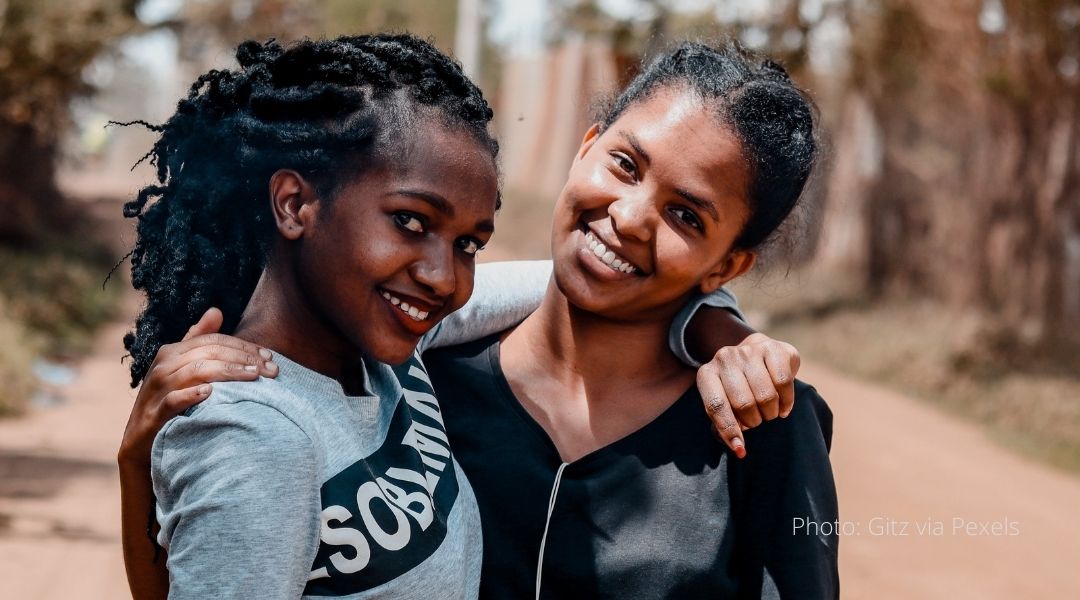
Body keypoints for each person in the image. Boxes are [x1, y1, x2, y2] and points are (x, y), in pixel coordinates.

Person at [114, 34, 800, 600]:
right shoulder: (255, 430)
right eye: (410, 221)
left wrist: (719, 325)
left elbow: (572, 280)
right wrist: (137, 467)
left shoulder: (396, 351)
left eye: (468, 243)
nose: (445, 277)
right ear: (296, 204)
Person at [422, 41, 838, 598]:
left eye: (685, 215)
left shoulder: (761, 423)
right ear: (586, 147)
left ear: (727, 266)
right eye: (625, 165)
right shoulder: (421, 377)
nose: (630, 217)